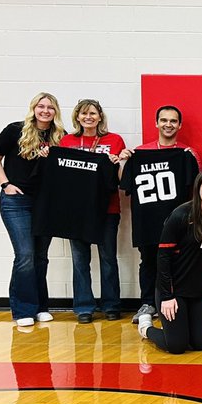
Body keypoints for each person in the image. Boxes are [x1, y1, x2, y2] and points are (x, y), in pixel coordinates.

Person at [119, 105, 199, 325]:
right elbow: (124, 185)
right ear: (156, 123)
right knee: (148, 262)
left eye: (173, 121)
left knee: (177, 263)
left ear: (179, 125)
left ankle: (176, 301)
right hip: (147, 221)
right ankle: (148, 303)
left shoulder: (186, 154)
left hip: (176, 222)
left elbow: (196, 191)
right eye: (164, 120)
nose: (168, 124)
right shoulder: (139, 153)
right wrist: (124, 160)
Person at [0, 93, 64, 327]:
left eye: (50, 107)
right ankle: (23, 309)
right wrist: (5, 184)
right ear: (33, 108)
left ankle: (40, 306)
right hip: (17, 201)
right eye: (41, 106)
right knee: (25, 255)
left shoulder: (59, 137)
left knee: (40, 257)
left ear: (56, 112)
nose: (45, 111)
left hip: (45, 203)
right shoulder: (15, 130)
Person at [138, 170, 202, 354]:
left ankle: (180, 329)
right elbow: (163, 257)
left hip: (201, 293)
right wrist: (167, 296)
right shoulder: (181, 215)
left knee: (201, 344)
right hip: (175, 292)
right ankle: (147, 328)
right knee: (177, 346)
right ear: (197, 190)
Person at [59, 98, 127, 323]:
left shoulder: (114, 140)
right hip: (75, 211)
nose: (88, 117)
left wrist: (119, 161)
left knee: (108, 258)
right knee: (80, 260)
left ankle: (111, 305)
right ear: (77, 117)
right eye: (84, 114)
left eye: (93, 113)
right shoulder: (66, 141)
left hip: (107, 208)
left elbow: (119, 177)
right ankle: (84, 307)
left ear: (100, 117)